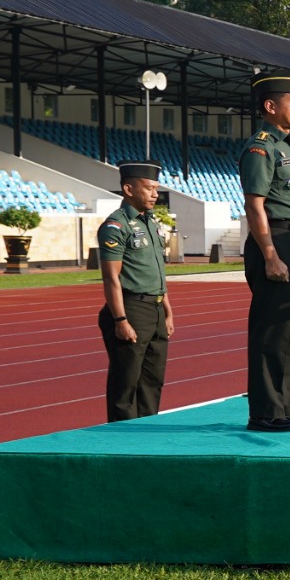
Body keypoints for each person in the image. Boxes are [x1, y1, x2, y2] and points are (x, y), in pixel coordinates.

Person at [240, 72, 290, 432]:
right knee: (270, 331)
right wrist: (270, 254)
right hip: (278, 241)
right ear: (271, 106)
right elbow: (255, 206)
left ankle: (285, 406)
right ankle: (264, 412)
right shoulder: (261, 147)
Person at [96, 160, 175, 421]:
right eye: (149, 188)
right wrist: (120, 319)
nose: (155, 194)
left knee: (152, 381)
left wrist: (167, 311)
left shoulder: (150, 222)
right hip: (132, 309)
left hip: (155, 309)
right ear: (128, 189)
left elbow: (157, 272)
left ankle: (146, 434)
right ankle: (121, 439)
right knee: (126, 383)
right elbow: (111, 278)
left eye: (156, 188)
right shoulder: (116, 226)